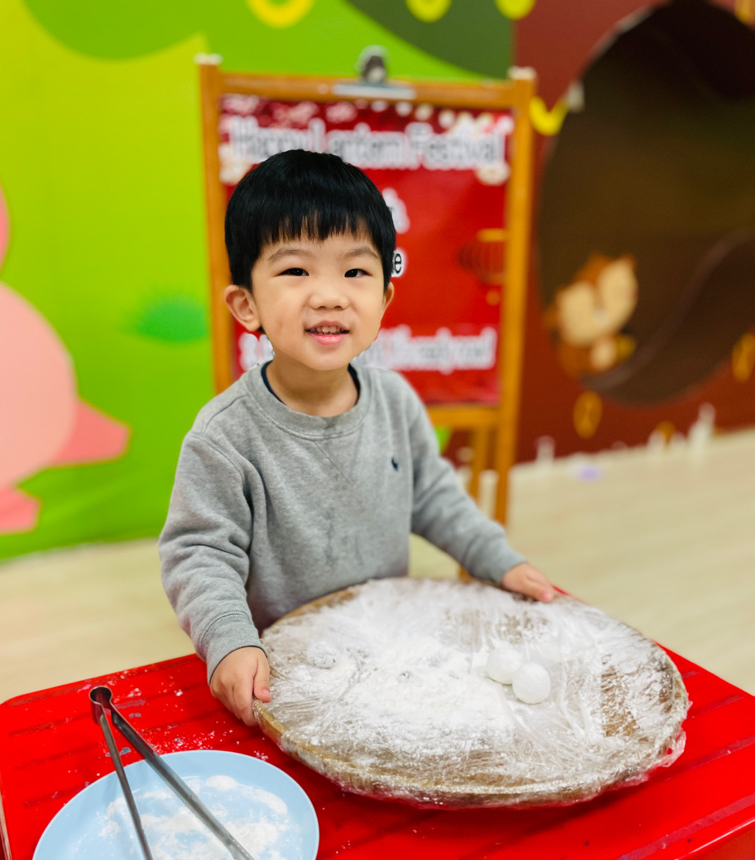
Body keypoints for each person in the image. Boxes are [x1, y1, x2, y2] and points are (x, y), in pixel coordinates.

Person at [159, 149, 553, 726]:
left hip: (389, 649)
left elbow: (434, 498)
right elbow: (199, 554)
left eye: (355, 272)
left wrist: (498, 560)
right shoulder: (225, 436)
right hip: (289, 672)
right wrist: (230, 640)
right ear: (246, 305)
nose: (330, 295)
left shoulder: (394, 401)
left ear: (384, 299)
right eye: (296, 271)